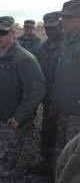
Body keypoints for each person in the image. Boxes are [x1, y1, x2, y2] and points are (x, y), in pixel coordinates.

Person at [0, 16, 45, 182]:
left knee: (7, 162)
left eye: (3, 33)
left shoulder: (24, 59)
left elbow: (36, 90)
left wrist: (19, 117)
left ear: (13, 34)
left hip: (10, 122)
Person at [26, 12, 63, 179]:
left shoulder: (68, 45)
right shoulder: (45, 46)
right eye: (47, 28)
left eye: (53, 28)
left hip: (65, 102)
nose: (49, 31)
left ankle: (61, 169)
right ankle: (46, 162)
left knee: (63, 137)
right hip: (48, 100)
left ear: (60, 26)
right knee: (47, 131)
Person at [50, 0, 80, 162]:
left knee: (73, 157)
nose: (63, 22)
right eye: (62, 17)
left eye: (68, 17)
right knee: (61, 151)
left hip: (77, 113)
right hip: (64, 108)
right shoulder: (68, 40)